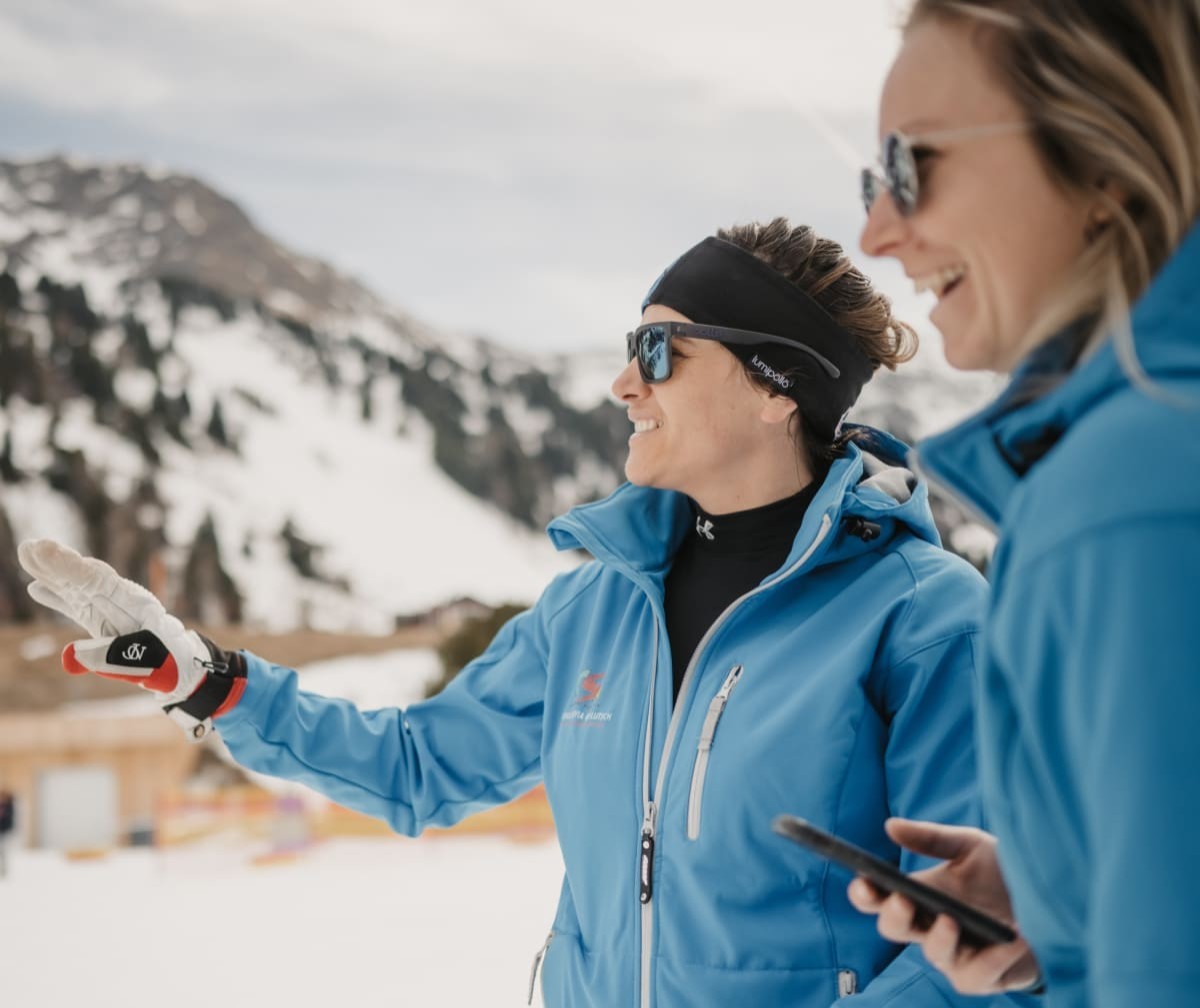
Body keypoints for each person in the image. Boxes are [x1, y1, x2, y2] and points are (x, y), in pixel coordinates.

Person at [20, 219, 1006, 1007]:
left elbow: (975, 941)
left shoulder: (921, 617)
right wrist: (204, 681)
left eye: (657, 350)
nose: (624, 383)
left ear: (775, 390)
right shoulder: (596, 605)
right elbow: (419, 767)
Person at [850, 3, 1200, 1007]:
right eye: (872, 182)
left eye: (911, 168)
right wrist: (1071, 905)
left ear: (1102, 162)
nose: (879, 231)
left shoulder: (1127, 501)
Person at [0, 789, 14, 878]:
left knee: (3, 851)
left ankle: (4, 869)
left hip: (4, 832)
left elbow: (9, 821)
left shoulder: (9, 807)